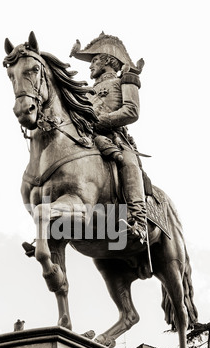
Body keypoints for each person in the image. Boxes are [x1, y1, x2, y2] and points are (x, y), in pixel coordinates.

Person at [70, 32, 148, 243]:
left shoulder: (126, 79)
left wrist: (100, 121)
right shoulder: (85, 91)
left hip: (116, 138)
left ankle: (138, 220)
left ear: (107, 60)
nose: (90, 66)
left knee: (129, 164)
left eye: (94, 60)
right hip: (88, 138)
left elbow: (131, 111)